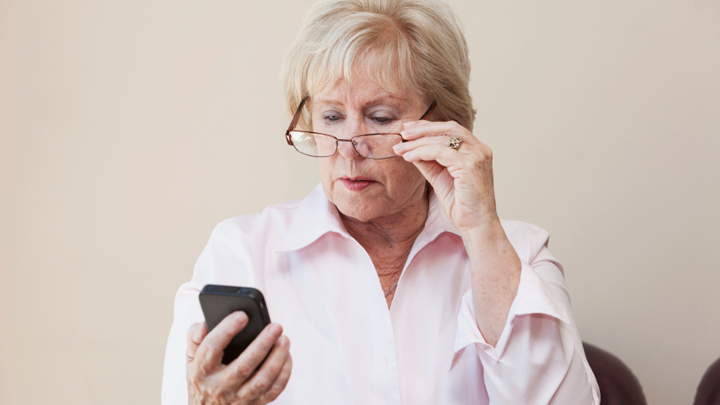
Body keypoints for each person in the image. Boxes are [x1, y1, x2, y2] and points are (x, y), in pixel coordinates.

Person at [162, 0, 600, 403]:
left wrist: (482, 228)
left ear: (445, 122)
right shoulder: (242, 253)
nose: (348, 146)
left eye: (380, 117)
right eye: (331, 116)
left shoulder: (516, 254)